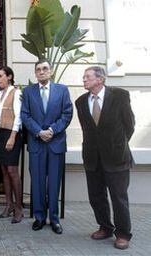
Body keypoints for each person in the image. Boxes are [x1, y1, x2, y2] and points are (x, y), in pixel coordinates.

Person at [75, 66, 135, 250]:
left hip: (116, 158)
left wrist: (117, 145)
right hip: (92, 158)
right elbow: (88, 130)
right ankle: (105, 227)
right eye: (83, 77)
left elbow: (129, 125)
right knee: (96, 196)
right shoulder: (81, 102)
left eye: (87, 77)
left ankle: (123, 234)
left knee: (119, 198)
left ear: (100, 79)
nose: (84, 80)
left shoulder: (119, 96)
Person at [21, 59, 73, 234]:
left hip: (55, 143)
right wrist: (38, 132)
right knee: (37, 182)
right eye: (38, 69)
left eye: (45, 69)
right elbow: (25, 115)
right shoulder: (28, 91)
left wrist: (52, 130)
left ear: (50, 71)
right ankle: (39, 217)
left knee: (53, 183)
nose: (42, 72)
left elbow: (67, 113)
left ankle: (55, 219)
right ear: (35, 73)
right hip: (37, 143)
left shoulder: (62, 90)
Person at [0, 66, 23, 223]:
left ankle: (18, 208)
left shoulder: (16, 92)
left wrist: (12, 137)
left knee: (12, 170)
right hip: (0, 133)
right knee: (4, 171)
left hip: (12, 133)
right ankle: (9, 205)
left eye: (1, 76)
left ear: (10, 77)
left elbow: (19, 117)